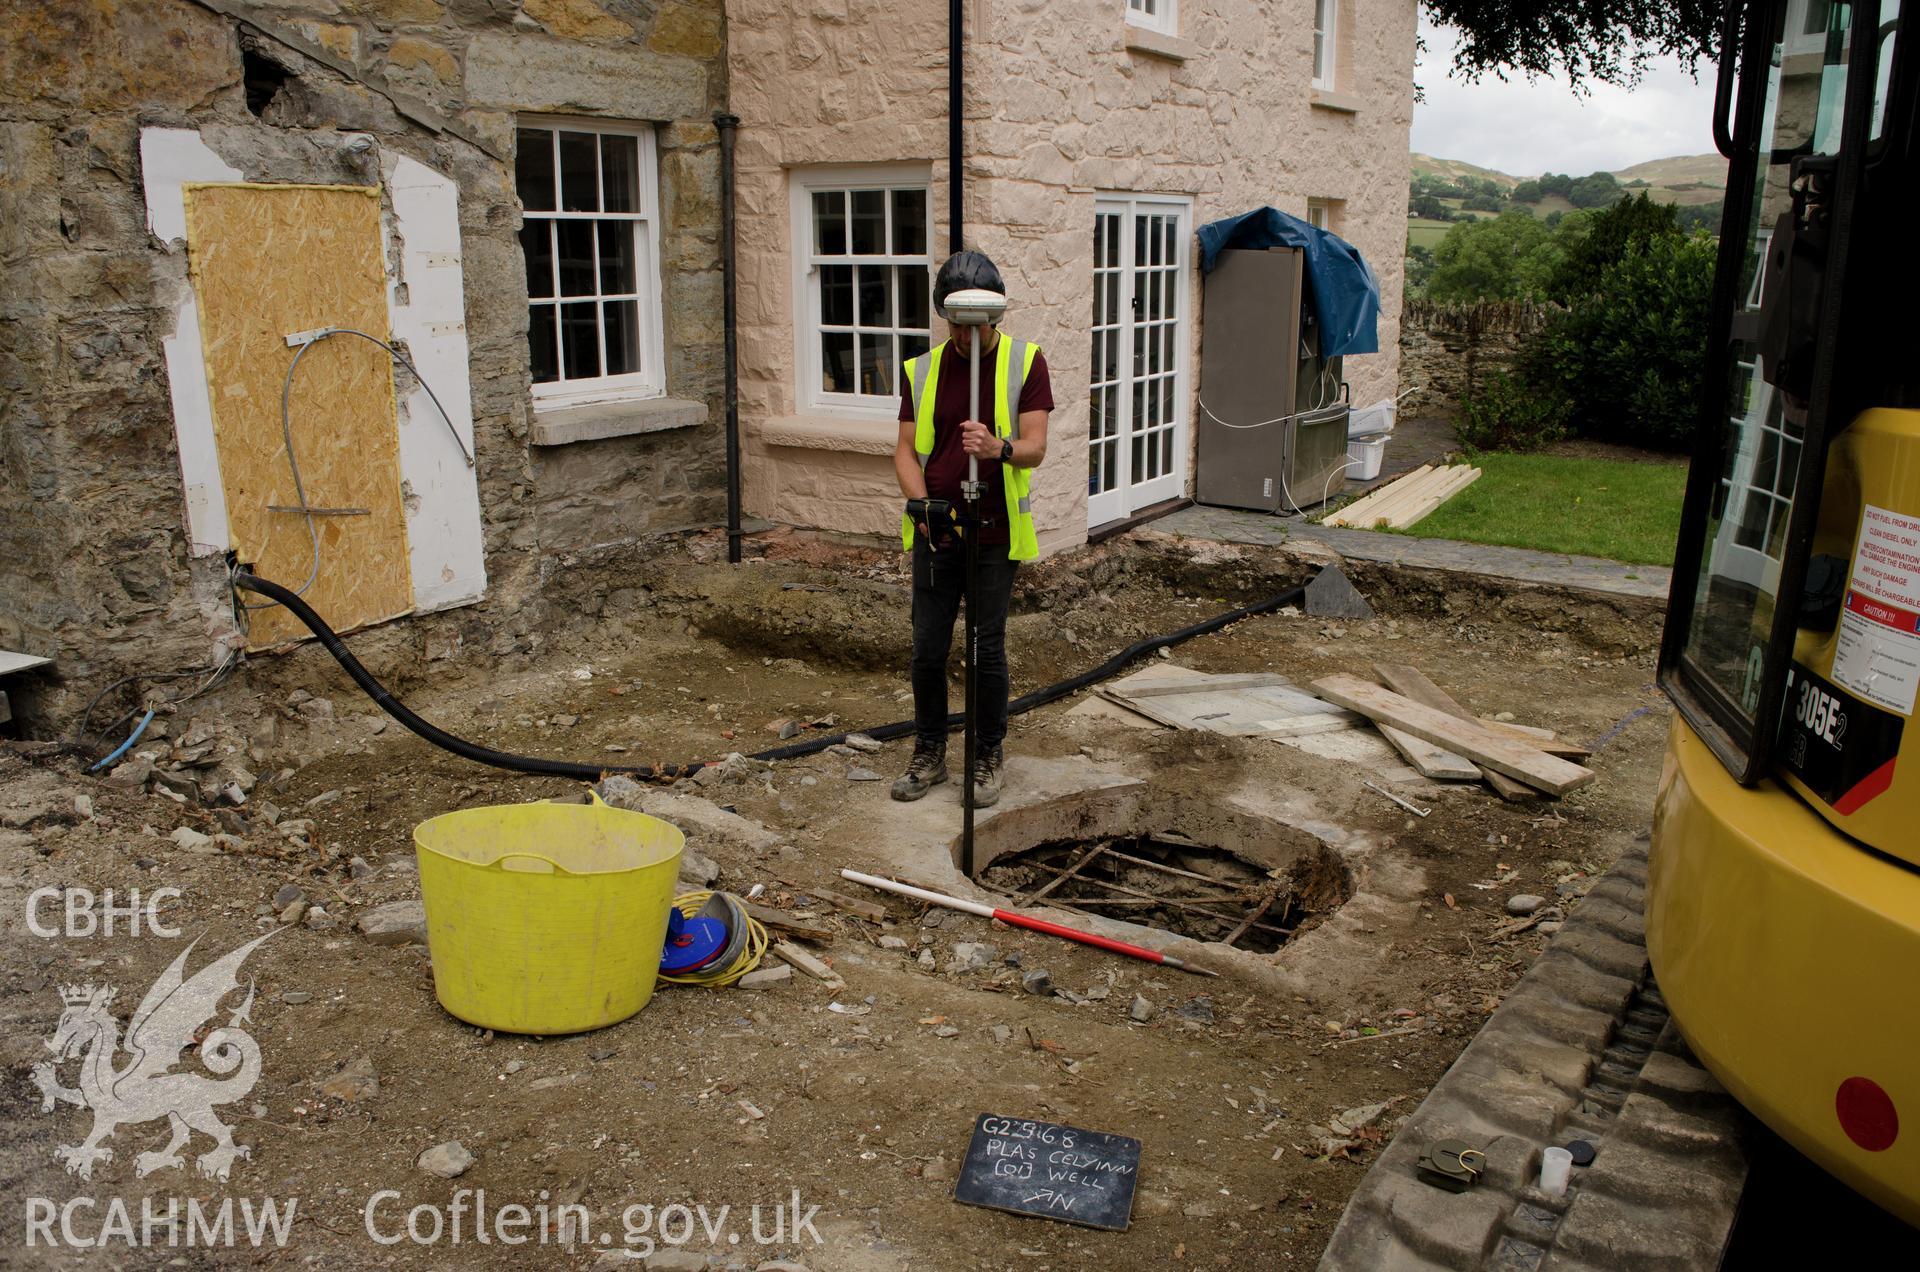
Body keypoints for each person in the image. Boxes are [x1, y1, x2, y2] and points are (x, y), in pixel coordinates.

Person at [890, 251, 1052, 807]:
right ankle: (930, 751)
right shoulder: (921, 369)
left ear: (994, 319)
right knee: (927, 649)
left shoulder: (1025, 362)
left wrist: (997, 448)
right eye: (956, 324)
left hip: (994, 532)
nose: (965, 336)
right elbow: (907, 451)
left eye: (975, 325)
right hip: (939, 530)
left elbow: (1034, 447)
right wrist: (922, 504)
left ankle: (986, 754)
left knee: (987, 648)